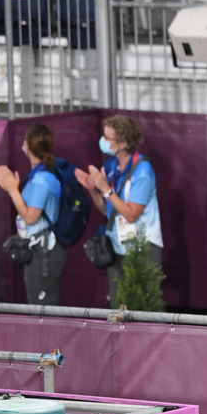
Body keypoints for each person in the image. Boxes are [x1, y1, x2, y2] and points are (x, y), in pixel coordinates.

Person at [75, 115, 163, 308]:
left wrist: (106, 189)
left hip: (143, 248)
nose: (103, 142)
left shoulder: (143, 171)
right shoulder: (112, 166)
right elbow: (108, 211)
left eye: (108, 138)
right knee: (118, 308)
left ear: (123, 143)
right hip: (117, 247)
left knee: (142, 308)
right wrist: (92, 190)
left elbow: (131, 214)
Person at [0, 124, 66, 305]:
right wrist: (13, 189)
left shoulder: (43, 179)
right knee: (35, 303)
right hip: (36, 249)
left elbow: (30, 217)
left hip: (45, 252)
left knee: (43, 307)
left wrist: (12, 189)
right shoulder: (36, 176)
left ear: (30, 145)